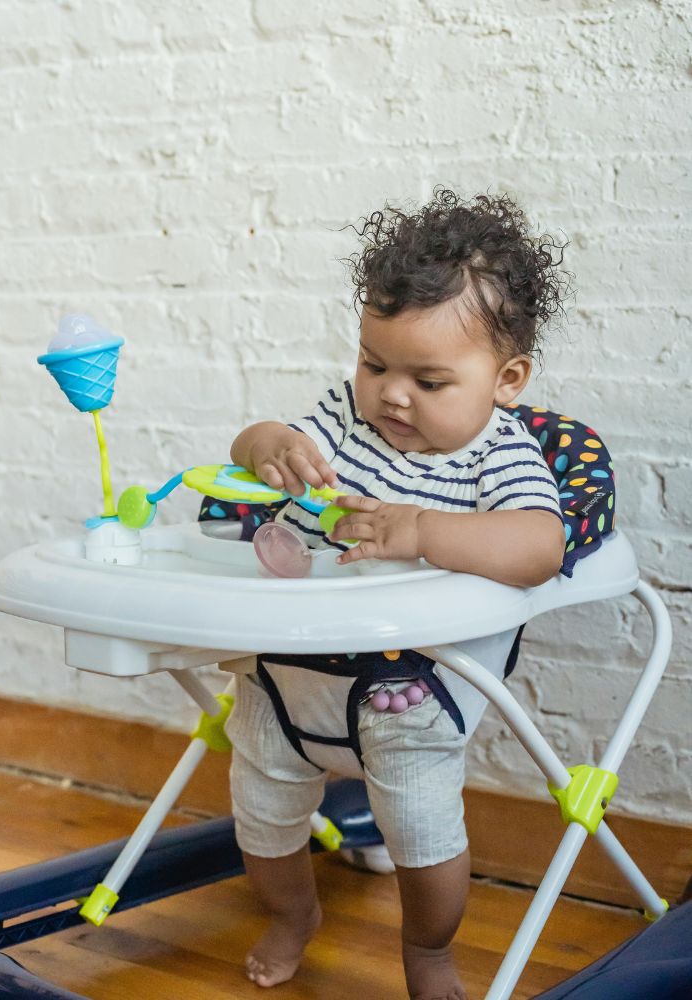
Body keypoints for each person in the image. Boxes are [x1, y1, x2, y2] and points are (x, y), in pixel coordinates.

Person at [225, 189, 568, 1000]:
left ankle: (428, 952)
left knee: (422, 834)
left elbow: (538, 547)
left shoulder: (497, 453)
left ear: (506, 379)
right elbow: (253, 448)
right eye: (375, 363)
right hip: (286, 672)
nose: (392, 395)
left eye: (430, 378)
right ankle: (291, 915)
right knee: (263, 818)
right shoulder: (346, 417)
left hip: (409, 690)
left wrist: (421, 530)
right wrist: (266, 443)